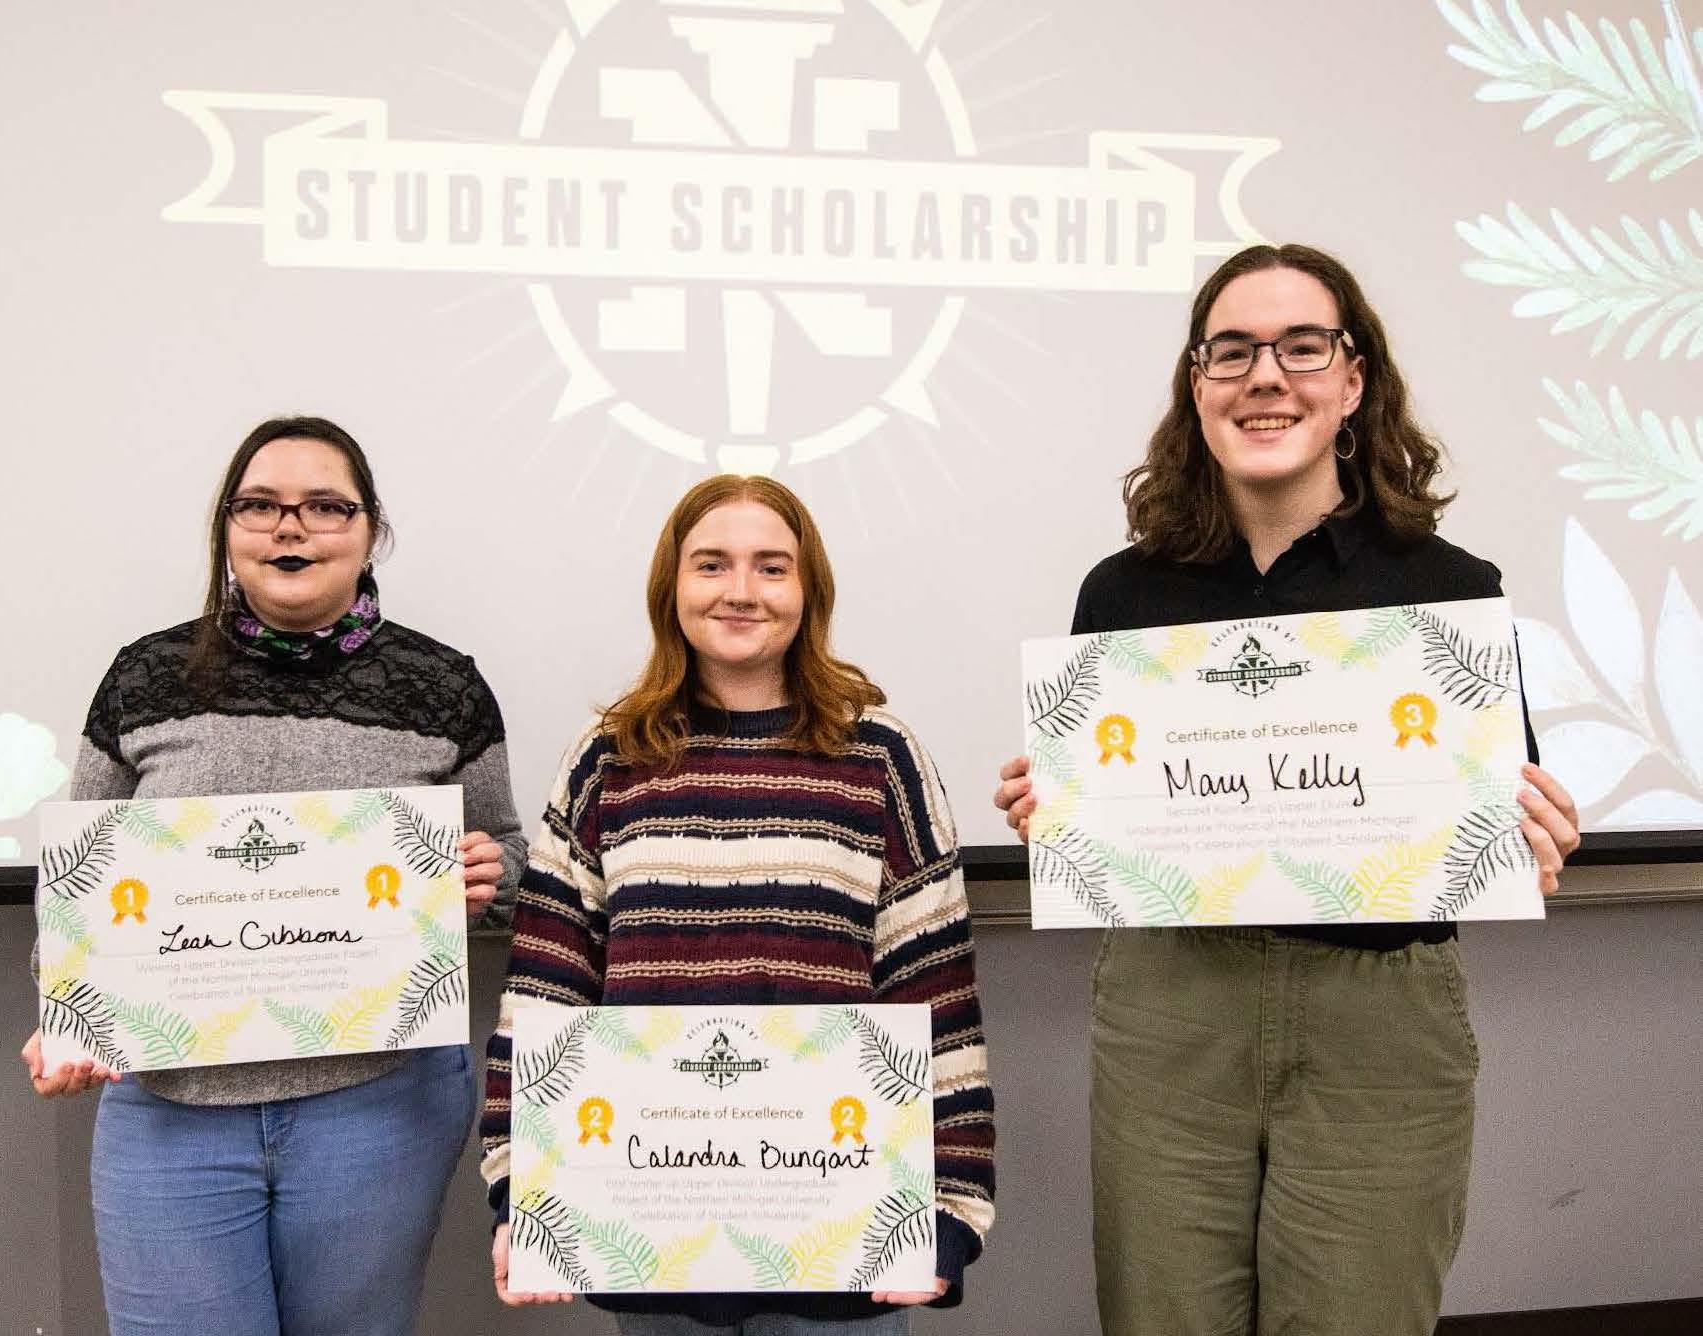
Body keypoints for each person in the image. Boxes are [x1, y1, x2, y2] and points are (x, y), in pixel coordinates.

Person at [993, 244, 1581, 1336]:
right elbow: (1105, 831)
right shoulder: (1119, 596)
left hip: (1378, 1021)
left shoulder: (1449, 591)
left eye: (1301, 346)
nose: (1265, 375)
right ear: (1197, 385)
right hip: (1172, 1010)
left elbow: (1491, 811)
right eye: (1231, 351)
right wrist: (1058, 814)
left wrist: (1531, 826)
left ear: (1351, 380)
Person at [18, 416, 527, 1336]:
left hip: (377, 1104)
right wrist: (68, 1013)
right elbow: (82, 884)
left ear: (370, 530)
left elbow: (510, 854)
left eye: (325, 507)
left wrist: (491, 874)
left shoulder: (443, 686)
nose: (289, 528)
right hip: (171, 1111)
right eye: (260, 506)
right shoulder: (145, 676)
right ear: (226, 529)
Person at [480, 474, 996, 1335]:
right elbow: (545, 985)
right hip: (649, 1234)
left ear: (808, 590)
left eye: (772, 567)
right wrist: (520, 1187)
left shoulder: (880, 757)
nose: (741, 591)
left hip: (849, 1244)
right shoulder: (607, 758)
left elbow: (934, 991)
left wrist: (948, 1206)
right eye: (711, 564)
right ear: (671, 589)